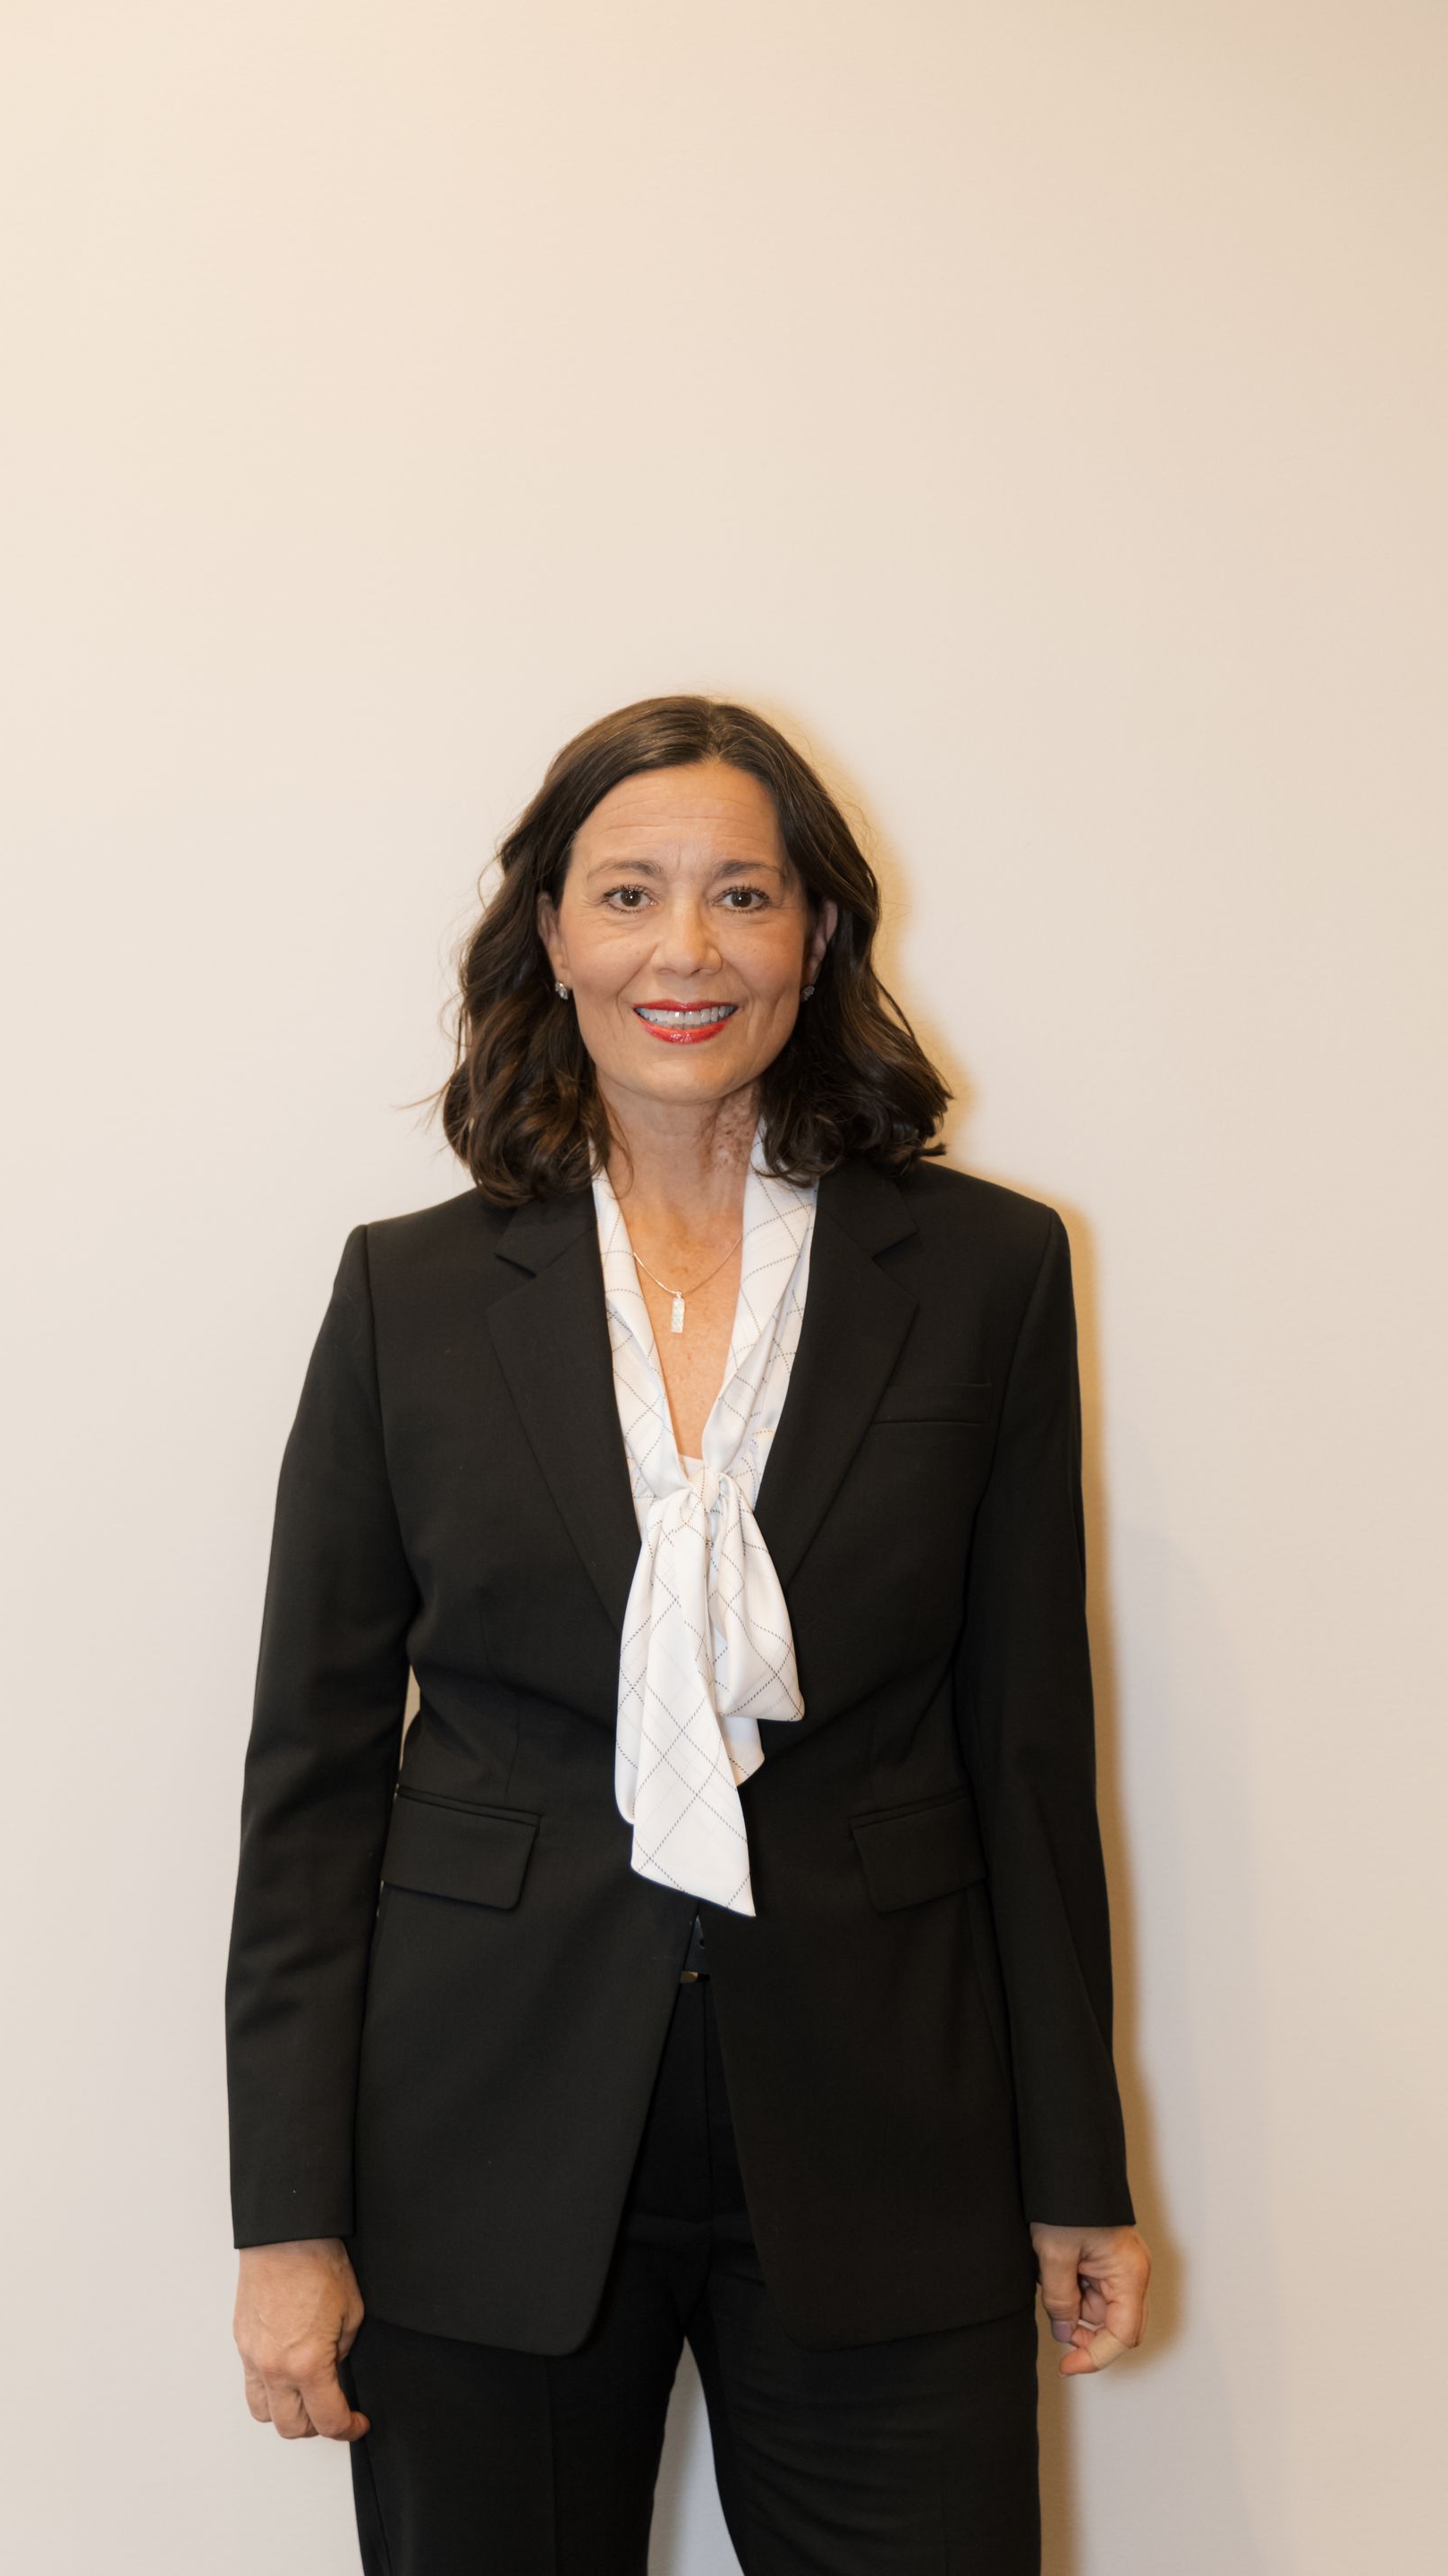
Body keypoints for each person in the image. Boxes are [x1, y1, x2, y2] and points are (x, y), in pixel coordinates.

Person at [225, 695, 1151, 2574]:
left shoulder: (986, 1273)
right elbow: (311, 1783)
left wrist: (1078, 2171)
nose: (688, 948)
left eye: (744, 893)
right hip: (479, 2136)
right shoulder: (409, 1295)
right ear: (550, 936)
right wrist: (288, 2219)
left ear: (817, 934)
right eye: (630, 892)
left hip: (889, 2123)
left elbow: (1027, 1743)